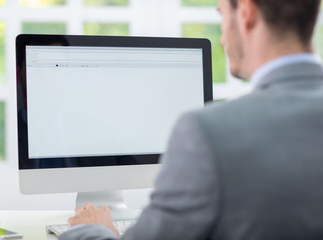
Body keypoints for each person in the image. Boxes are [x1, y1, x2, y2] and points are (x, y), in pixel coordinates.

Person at [60, 0, 323, 239]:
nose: (221, 39)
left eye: (222, 15)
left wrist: (89, 228)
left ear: (245, 13)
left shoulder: (210, 132)